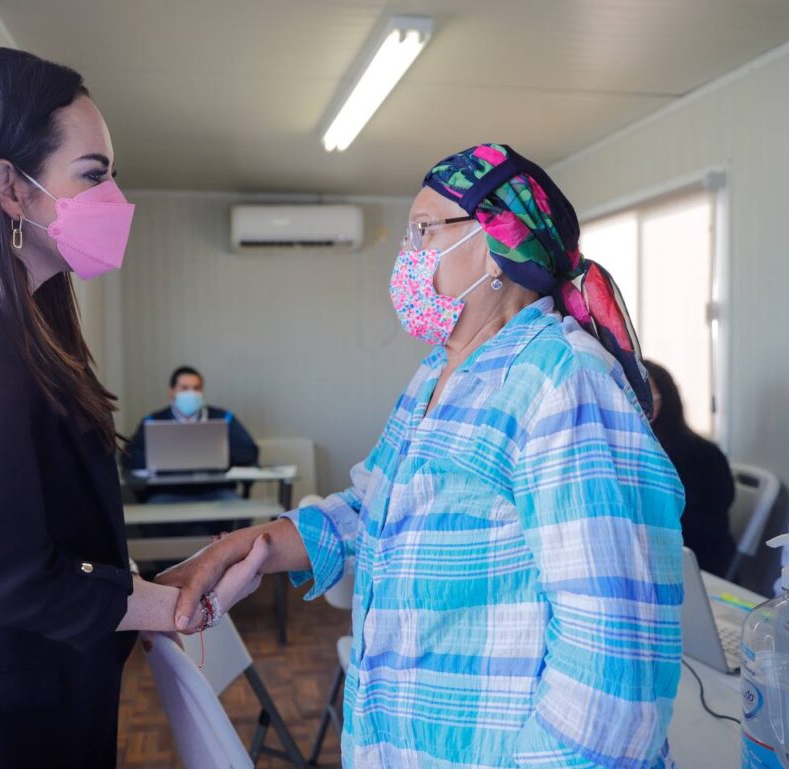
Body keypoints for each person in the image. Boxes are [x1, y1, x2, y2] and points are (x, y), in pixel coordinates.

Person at [158, 144, 686, 769]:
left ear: (494, 241)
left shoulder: (562, 382)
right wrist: (254, 546)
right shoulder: (439, 373)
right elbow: (373, 507)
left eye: (424, 231)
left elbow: (612, 664)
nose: (407, 255)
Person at [0, 48, 268, 769]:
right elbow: (11, 573)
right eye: (93, 175)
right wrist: (177, 603)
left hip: (13, 701)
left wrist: (158, 590)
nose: (115, 199)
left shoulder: (8, 321)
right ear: (12, 186)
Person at [645, 359, 736, 575]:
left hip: (694, 568)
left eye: (644, 397)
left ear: (666, 398)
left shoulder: (698, 455)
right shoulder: (645, 451)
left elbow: (698, 533)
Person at [124, 365, 260, 502]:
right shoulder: (153, 421)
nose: (191, 393)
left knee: (235, 505)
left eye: (196, 388)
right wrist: (160, 460)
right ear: (172, 392)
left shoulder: (224, 418)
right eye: (184, 388)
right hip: (167, 491)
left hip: (216, 489)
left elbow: (249, 451)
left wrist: (221, 455)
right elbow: (130, 456)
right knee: (155, 507)